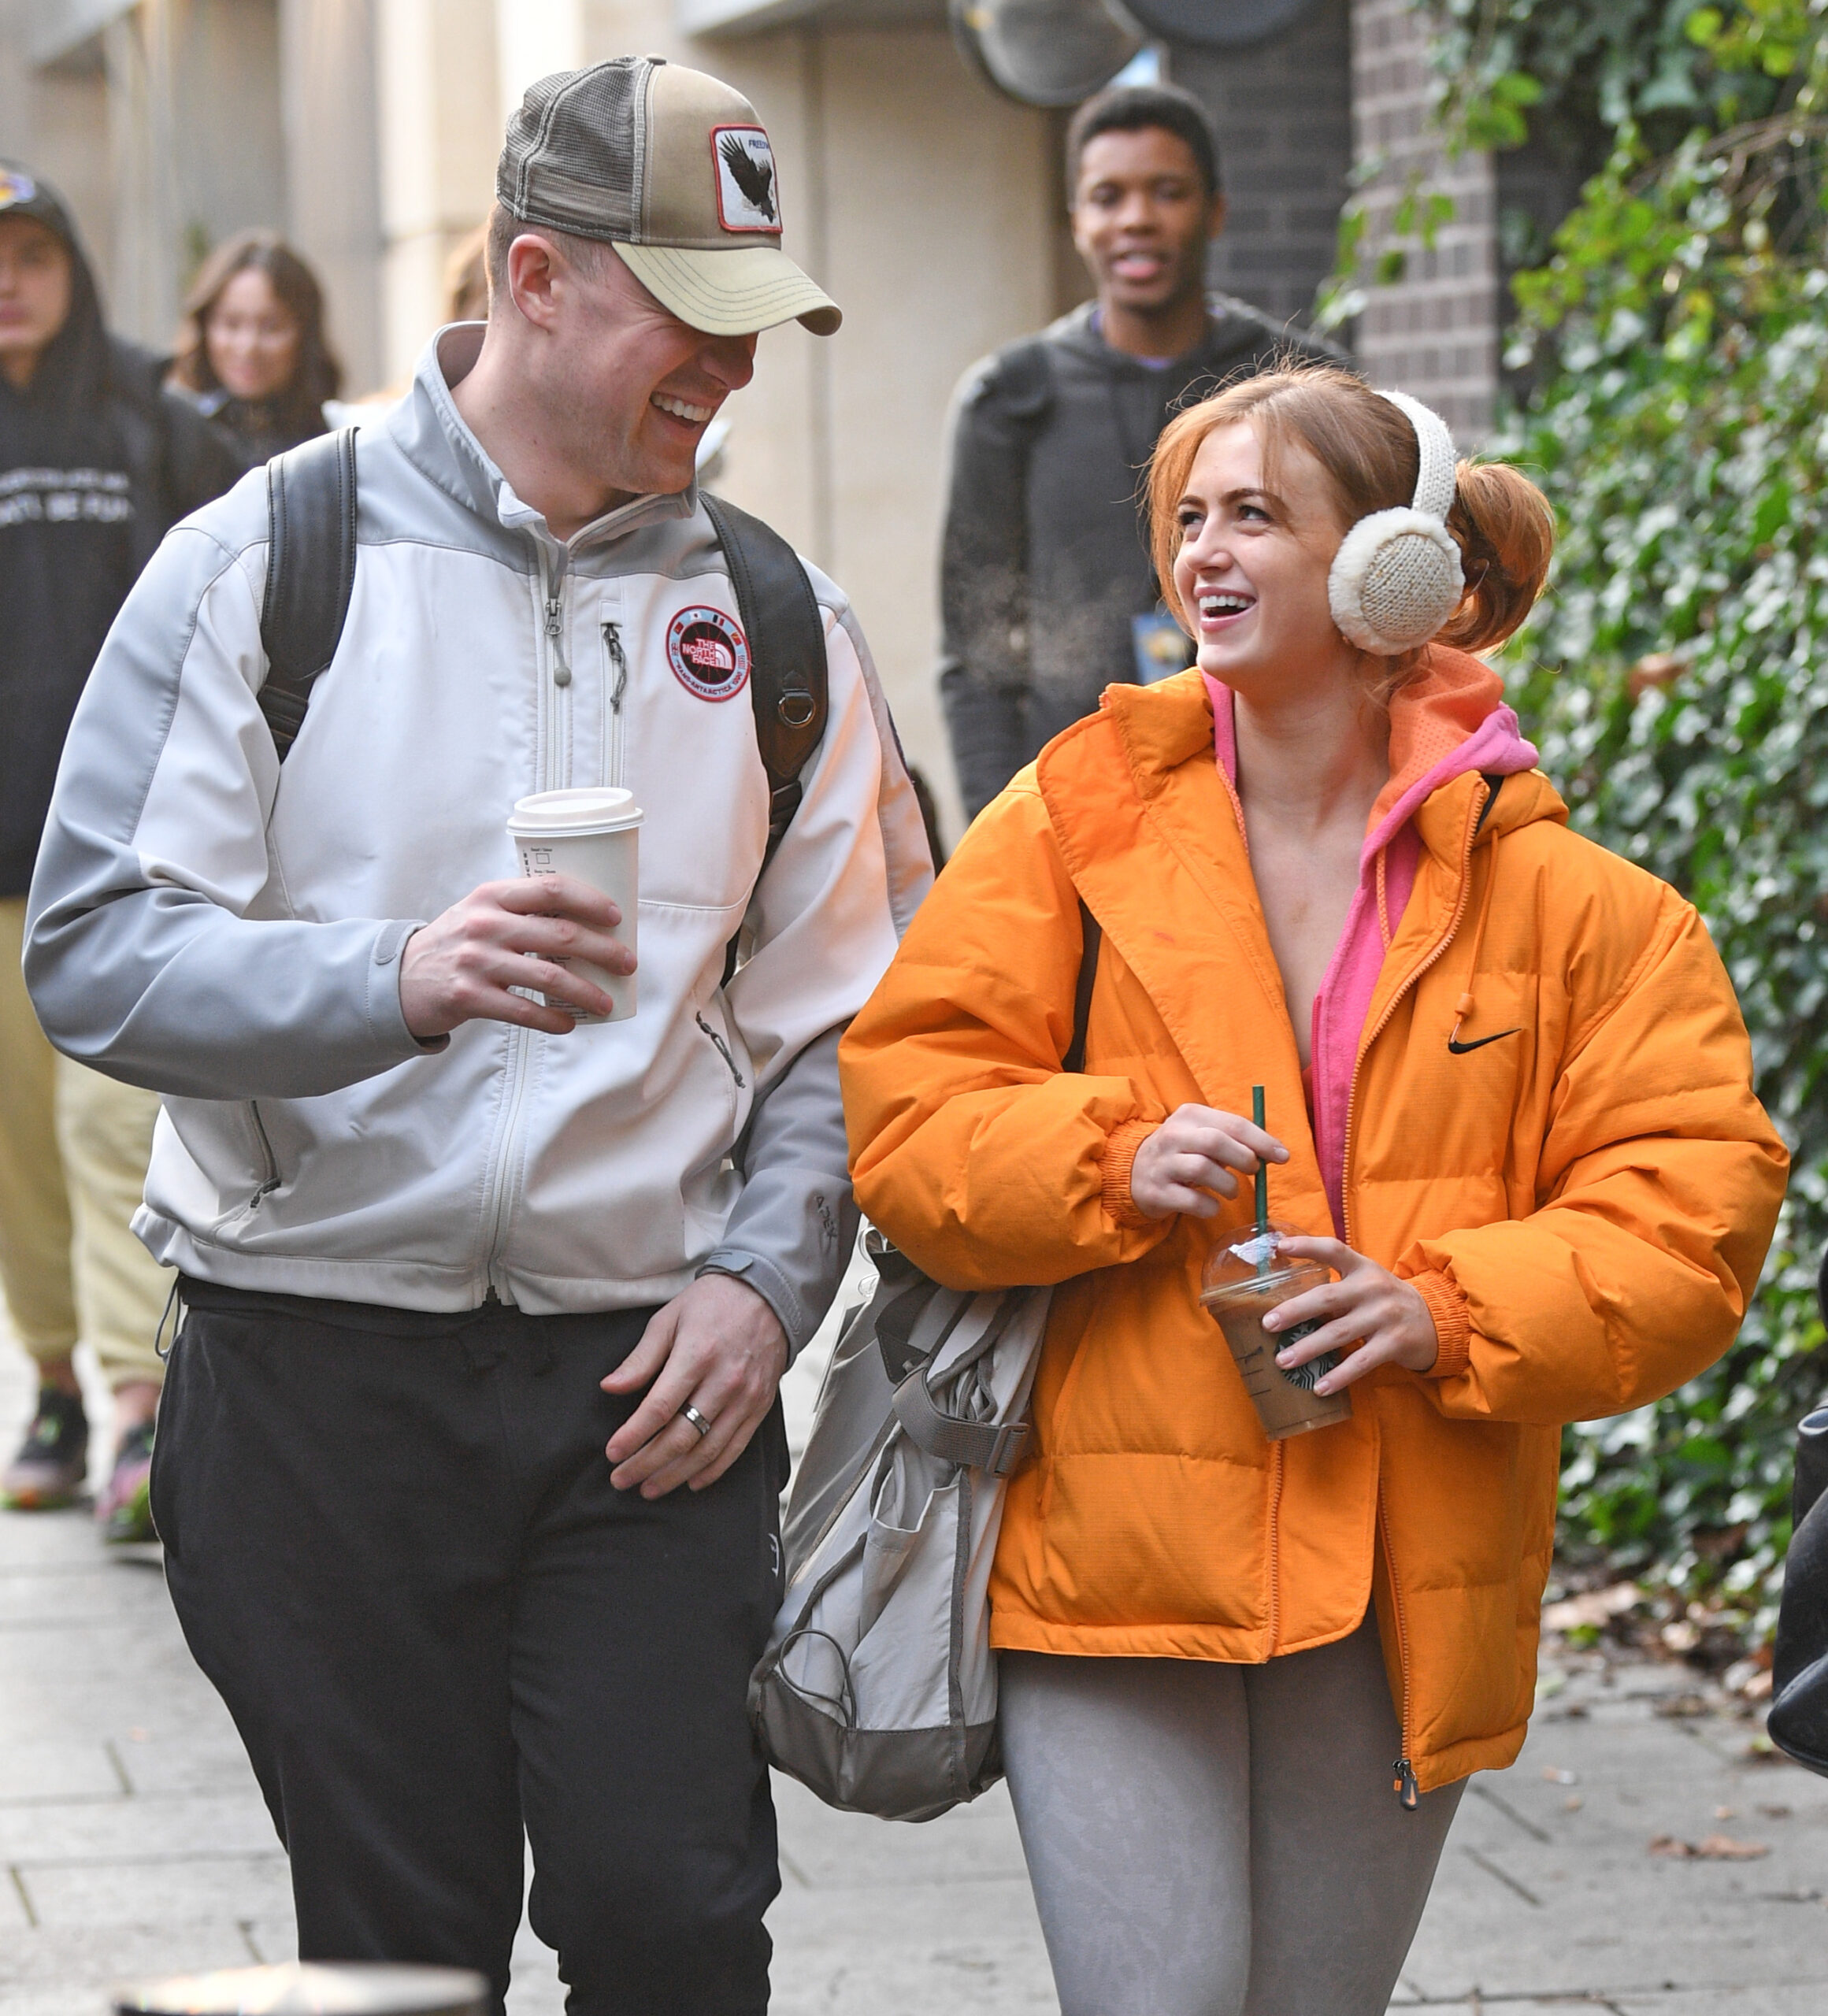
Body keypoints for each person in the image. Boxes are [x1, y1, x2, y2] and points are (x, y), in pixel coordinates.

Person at [26, 57, 929, 2016]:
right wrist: (393, 977)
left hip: (649, 1393)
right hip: (311, 1379)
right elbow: (93, 951)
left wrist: (766, 1287)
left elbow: (854, 1023)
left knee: (675, 1923)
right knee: (401, 1951)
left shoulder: (781, 624)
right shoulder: (264, 561)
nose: (730, 372)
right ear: (535, 275)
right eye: (689, 317)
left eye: (754, 325)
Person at [841, 361, 1787, 2014]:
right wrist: (1107, 1155)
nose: (1201, 553)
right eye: (1188, 516)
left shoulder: (1588, 914)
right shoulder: (1067, 821)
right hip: (1110, 1552)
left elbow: (1688, 1212)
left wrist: (1444, 1309)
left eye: (1254, 516)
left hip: (1399, 1575)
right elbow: (908, 1115)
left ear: (1386, 568)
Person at [0, 163, 241, 1540]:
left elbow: (242, 595)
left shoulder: (151, 418)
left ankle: (140, 1415)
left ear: (72, 271)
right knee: (19, 1156)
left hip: (122, 861)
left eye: (31, 253)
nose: (7, 280)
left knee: (107, 1127)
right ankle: (51, 1389)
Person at [938, 81, 1335, 823]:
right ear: (1076, 222)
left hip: (1277, 803)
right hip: (1079, 807)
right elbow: (977, 653)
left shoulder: (1304, 386)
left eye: (1167, 192)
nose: (1136, 219)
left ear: (1214, 211)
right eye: (1107, 197)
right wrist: (1004, 829)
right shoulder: (1009, 399)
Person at [167, 230, 341, 466]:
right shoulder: (174, 437)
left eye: (271, 327)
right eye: (231, 324)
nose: (248, 347)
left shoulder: (336, 443)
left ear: (305, 334)